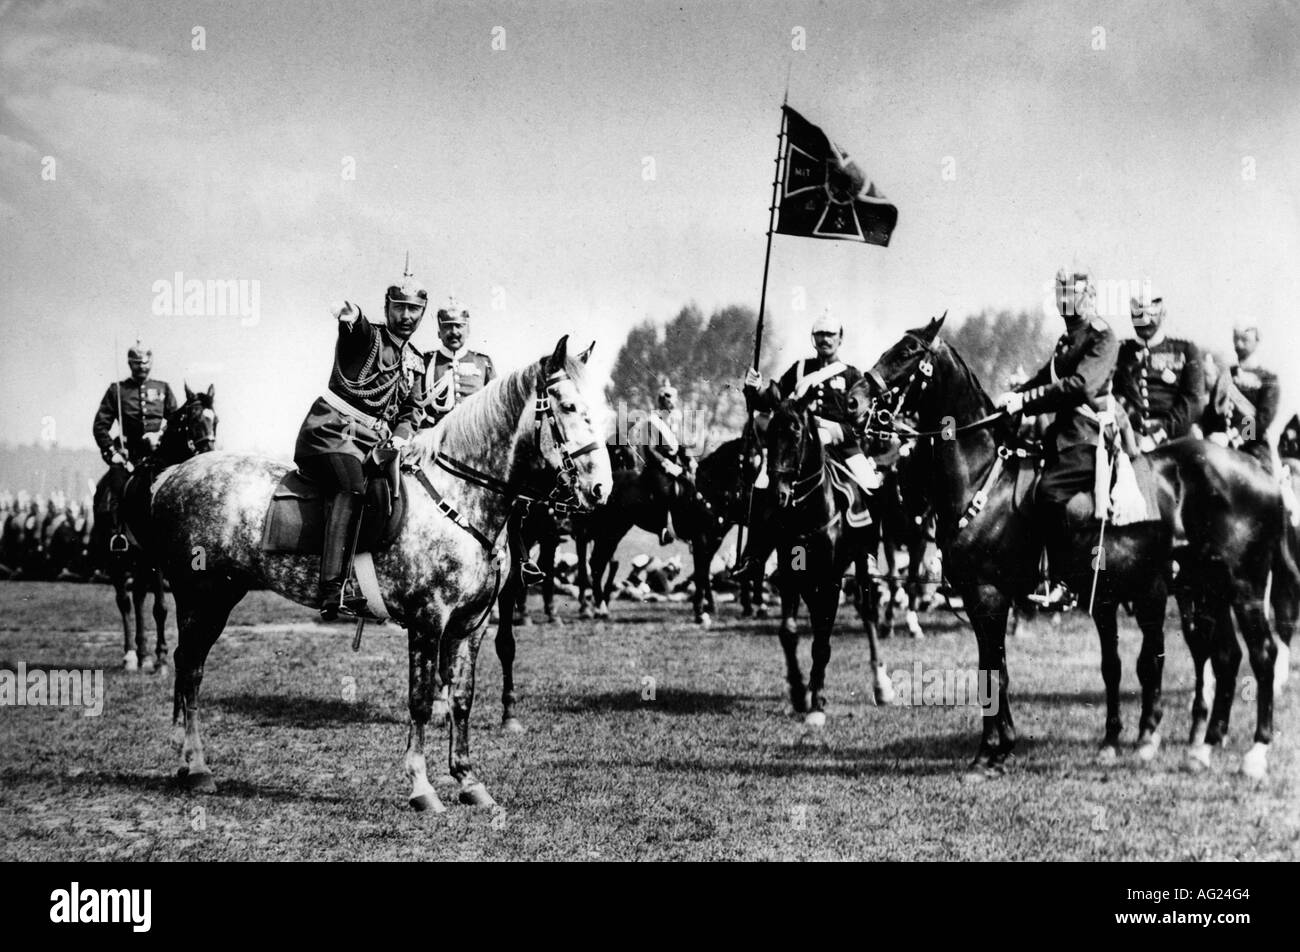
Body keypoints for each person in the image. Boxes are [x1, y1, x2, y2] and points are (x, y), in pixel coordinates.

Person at [294, 263, 428, 619]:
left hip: (375, 444)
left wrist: (399, 438)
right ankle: (333, 588)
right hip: (331, 432)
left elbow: (412, 410)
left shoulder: (416, 361)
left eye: (414, 309)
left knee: (390, 496)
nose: (406, 315)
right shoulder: (370, 337)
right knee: (351, 487)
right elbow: (354, 324)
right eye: (399, 307)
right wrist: (349, 312)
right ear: (387, 308)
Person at [994, 267, 1119, 611]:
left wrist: (1026, 401)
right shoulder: (1067, 340)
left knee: (1049, 494)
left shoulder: (1102, 337)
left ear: (1089, 296)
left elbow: (1080, 387)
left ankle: (1067, 581)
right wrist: (1012, 396)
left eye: (1072, 294)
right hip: (1061, 438)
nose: (1065, 301)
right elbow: (1042, 378)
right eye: (1061, 294)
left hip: (1088, 439)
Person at [732, 309, 882, 578]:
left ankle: (868, 555)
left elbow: (859, 422)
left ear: (840, 338)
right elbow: (772, 398)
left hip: (840, 445)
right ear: (813, 339)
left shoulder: (851, 375)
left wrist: (832, 431)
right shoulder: (800, 368)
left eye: (830, 335)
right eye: (820, 334)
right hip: (798, 447)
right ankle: (754, 557)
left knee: (871, 483)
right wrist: (755, 388)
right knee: (763, 484)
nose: (825, 339)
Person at [92, 341, 178, 549]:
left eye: (145, 363)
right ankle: (118, 535)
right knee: (117, 488)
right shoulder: (117, 390)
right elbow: (100, 425)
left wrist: (160, 435)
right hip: (129, 456)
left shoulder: (163, 388)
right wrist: (112, 452)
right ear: (130, 364)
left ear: (151, 363)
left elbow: (175, 421)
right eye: (137, 363)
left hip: (159, 453)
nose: (141, 367)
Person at [1113, 283, 1204, 451]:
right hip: (1130, 439)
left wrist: (1159, 435)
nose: (1145, 320)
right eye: (1139, 314)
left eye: (1152, 313)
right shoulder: (1119, 351)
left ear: (1163, 314)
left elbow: (1192, 402)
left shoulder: (1185, 350)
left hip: (1173, 439)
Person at [1202, 322, 1279, 472]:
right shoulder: (1226, 375)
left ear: (1257, 341)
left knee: (1271, 486)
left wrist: (1229, 437)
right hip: (1218, 444)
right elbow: (1211, 412)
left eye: (1245, 339)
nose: (1239, 344)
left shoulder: (1268, 379)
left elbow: (1262, 420)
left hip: (1252, 447)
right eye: (1236, 339)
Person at [422, 299, 496, 426]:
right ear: (439, 332)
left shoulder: (483, 362)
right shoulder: (425, 362)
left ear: (468, 330)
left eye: (459, 326)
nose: (454, 332)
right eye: (447, 326)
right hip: (434, 433)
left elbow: (494, 404)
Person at [643, 379, 693, 545]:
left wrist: (690, 460)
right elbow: (649, 450)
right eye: (669, 398)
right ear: (661, 400)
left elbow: (679, 446)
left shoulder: (674, 422)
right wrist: (666, 463)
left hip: (673, 466)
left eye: (674, 398)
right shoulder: (652, 421)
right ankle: (662, 528)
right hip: (655, 466)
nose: (672, 402)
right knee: (665, 490)